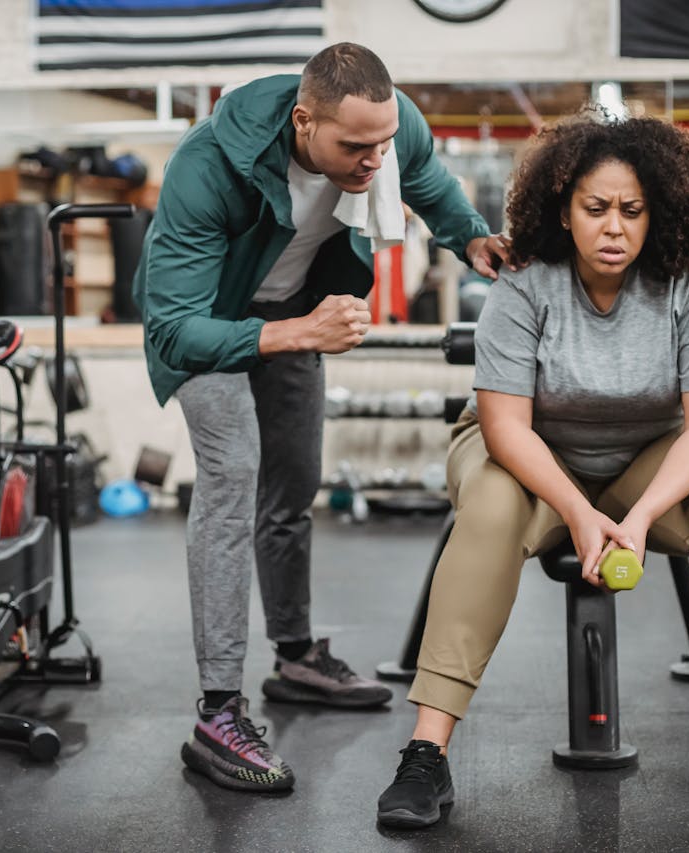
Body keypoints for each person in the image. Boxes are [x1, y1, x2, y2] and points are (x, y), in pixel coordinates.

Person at [374, 111, 689, 828]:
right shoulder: (525, 279)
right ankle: (426, 754)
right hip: (527, 454)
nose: (615, 226)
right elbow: (507, 427)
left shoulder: (688, 279)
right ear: (563, 209)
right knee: (492, 509)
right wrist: (576, 510)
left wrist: (633, 520)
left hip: (645, 460)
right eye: (596, 208)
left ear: (656, 210)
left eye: (632, 210)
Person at [135, 42, 511, 794]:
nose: (376, 160)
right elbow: (171, 327)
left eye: (383, 142)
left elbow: (430, 183)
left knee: (295, 484)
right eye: (354, 146)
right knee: (233, 474)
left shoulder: (386, 126)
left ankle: (297, 655)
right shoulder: (208, 166)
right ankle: (216, 711)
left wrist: (473, 238)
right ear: (304, 122)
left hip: (291, 309)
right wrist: (296, 333)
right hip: (207, 322)